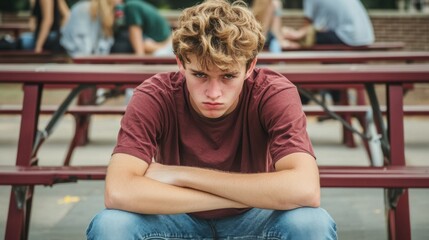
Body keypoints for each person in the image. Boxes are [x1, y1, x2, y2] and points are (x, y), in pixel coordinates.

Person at [86, 0, 337, 239]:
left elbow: (304, 188)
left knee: (312, 224)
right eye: (200, 75)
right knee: (111, 226)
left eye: (228, 76)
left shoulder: (273, 92)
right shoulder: (154, 95)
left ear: (250, 67)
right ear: (181, 63)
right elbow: (118, 190)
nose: (214, 93)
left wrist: (180, 175)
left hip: (255, 218)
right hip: (176, 216)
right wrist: (252, 195)